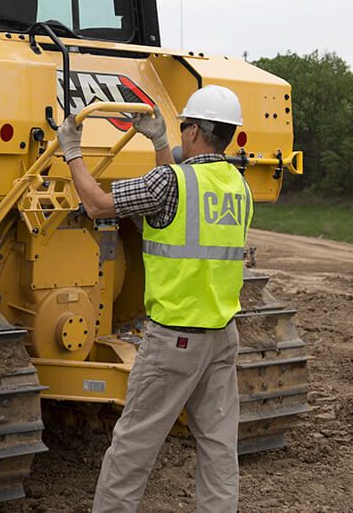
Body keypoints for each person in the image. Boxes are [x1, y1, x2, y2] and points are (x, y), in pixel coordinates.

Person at [56, 85, 253, 513]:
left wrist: (71, 151)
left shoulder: (171, 181)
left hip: (175, 341)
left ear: (196, 130)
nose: (181, 133)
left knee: (133, 446)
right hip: (221, 337)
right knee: (219, 447)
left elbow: (97, 206)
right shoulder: (237, 186)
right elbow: (172, 214)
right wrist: (160, 143)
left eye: (183, 127)